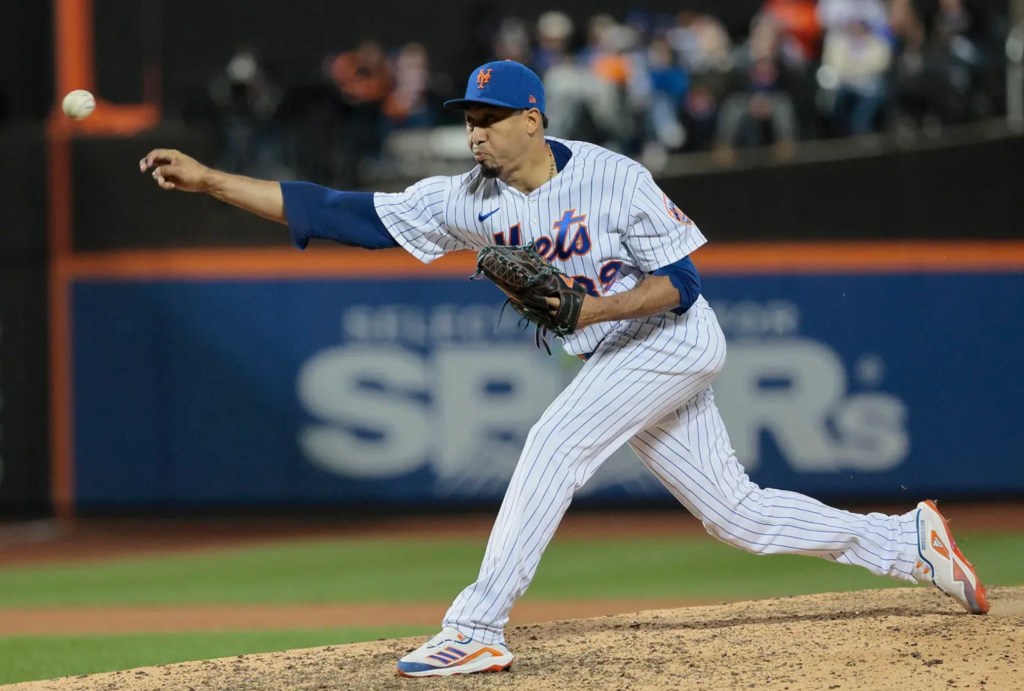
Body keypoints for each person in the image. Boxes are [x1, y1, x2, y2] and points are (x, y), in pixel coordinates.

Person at [140, 59, 989, 678]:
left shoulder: (615, 178)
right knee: (737, 514)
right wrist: (211, 180)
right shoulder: (462, 200)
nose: (475, 130)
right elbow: (339, 213)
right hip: (620, 351)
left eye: (491, 116)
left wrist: (590, 310)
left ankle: (476, 626)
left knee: (553, 443)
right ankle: (906, 541)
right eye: (468, 116)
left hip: (673, 337)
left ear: (533, 119)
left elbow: (683, 284)